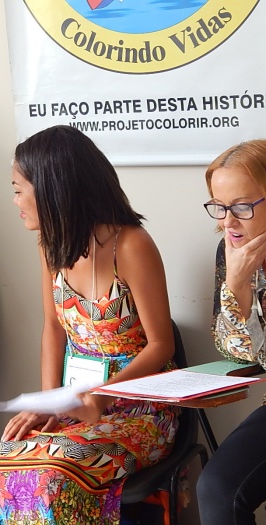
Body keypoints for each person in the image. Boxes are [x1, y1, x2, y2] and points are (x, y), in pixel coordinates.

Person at [0, 125, 179, 525]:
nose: (15, 200)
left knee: (53, 473)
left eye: (19, 189)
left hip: (140, 409)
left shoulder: (132, 245)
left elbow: (161, 345)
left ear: (53, 189)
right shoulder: (51, 244)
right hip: (79, 403)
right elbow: (53, 326)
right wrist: (50, 403)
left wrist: (101, 397)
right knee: (9, 459)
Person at [196, 139, 266, 525]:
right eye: (219, 208)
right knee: (217, 487)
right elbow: (233, 349)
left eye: (241, 207)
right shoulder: (231, 252)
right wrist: (237, 286)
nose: (228, 222)